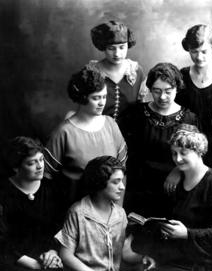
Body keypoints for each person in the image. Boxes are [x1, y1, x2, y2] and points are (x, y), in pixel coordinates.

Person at [132, 124, 212, 271]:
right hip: (177, 254)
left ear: (199, 152)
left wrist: (187, 233)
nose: (177, 159)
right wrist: (153, 253)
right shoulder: (177, 181)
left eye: (183, 153)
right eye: (174, 153)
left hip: (202, 262)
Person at [55, 156, 154, 271]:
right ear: (100, 183)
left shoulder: (120, 214)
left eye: (122, 181)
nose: (122, 186)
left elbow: (124, 251)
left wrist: (142, 257)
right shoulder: (78, 211)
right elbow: (66, 255)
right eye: (116, 182)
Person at [121, 62, 198, 217]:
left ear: (177, 88)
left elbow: (198, 157)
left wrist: (178, 170)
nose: (162, 97)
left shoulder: (190, 119)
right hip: (138, 188)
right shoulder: (136, 113)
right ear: (150, 90)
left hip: (173, 188)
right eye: (156, 91)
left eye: (168, 91)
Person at [44, 65, 127, 206]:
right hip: (73, 209)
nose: (102, 103)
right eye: (96, 98)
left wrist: (118, 210)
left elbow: (122, 172)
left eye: (104, 97)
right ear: (82, 98)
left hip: (109, 210)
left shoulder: (111, 125)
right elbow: (47, 176)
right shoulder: (64, 132)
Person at [0, 137, 64, 271]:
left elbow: (61, 227)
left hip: (49, 258)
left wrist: (53, 251)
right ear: (16, 167)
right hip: (14, 261)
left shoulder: (51, 189)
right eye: (31, 163)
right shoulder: (3, 194)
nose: (40, 166)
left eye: (41, 160)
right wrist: (30, 263)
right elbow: (2, 241)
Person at [175, 23, 212, 169]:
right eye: (194, 51)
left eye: (204, 51)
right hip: (189, 149)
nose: (199, 57)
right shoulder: (182, 76)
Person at [88, 20, 148, 127]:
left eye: (122, 47)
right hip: (99, 131)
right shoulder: (92, 72)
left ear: (127, 45)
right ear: (103, 47)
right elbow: (85, 109)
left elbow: (142, 108)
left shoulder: (136, 71)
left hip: (130, 133)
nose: (117, 54)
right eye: (111, 48)